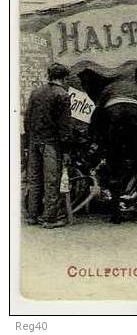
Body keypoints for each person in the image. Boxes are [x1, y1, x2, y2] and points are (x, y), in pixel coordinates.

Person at [91, 74, 137, 227]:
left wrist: (95, 138)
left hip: (114, 124)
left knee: (115, 168)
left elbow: (97, 115)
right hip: (135, 122)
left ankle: (116, 214)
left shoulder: (108, 89)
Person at [25, 63, 73, 228]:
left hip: (34, 142)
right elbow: (64, 127)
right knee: (51, 181)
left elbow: (27, 119)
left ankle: (32, 216)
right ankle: (50, 219)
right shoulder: (63, 95)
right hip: (51, 144)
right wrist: (67, 150)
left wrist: (28, 142)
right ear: (64, 78)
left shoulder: (36, 93)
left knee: (35, 180)